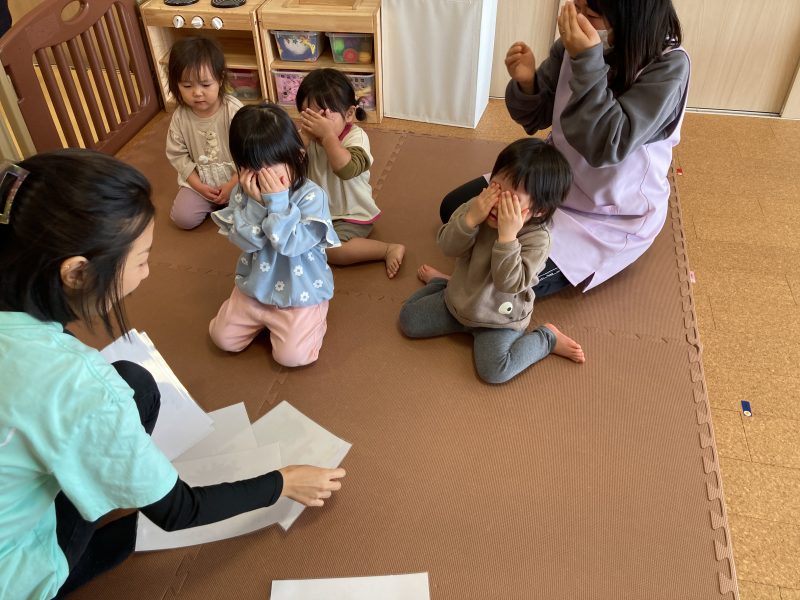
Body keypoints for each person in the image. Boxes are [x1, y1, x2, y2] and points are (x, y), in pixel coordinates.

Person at [0, 150, 346, 600]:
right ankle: (53, 574)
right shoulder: (78, 385)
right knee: (136, 524)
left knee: (136, 384)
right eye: (142, 259)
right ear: (78, 272)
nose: (147, 273)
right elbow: (180, 511)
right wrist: (285, 481)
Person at [439, 0, 690, 295]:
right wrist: (528, 84)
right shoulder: (574, 42)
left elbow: (606, 145)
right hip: (551, 182)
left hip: (609, 213)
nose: (576, 17)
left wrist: (587, 61)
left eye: (590, 14)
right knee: (452, 210)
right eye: (577, 5)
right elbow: (537, 117)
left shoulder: (668, 67)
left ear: (631, 18)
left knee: (502, 283)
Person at [399, 139, 585, 384]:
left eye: (511, 200)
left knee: (495, 372)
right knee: (409, 321)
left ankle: (547, 339)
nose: (496, 203)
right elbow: (447, 247)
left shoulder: (538, 239)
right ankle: (443, 283)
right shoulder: (477, 207)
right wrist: (469, 220)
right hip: (458, 299)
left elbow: (509, 283)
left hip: (499, 319)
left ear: (538, 210)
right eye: (495, 188)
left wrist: (507, 237)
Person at [209, 103, 340, 367]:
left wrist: (278, 204)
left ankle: (315, 315)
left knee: (291, 358)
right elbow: (248, 243)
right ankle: (261, 319)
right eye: (251, 168)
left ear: (297, 158)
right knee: (222, 338)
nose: (263, 177)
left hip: (299, 294)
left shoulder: (312, 197)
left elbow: (290, 245)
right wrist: (257, 205)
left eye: (271, 167)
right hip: (255, 289)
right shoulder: (244, 193)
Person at [296, 68, 406, 278]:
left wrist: (328, 137)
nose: (316, 124)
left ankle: (386, 249)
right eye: (308, 115)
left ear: (348, 114)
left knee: (332, 251)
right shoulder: (305, 138)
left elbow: (346, 170)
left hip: (349, 215)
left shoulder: (356, 138)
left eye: (323, 116)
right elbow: (287, 169)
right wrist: (303, 141)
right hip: (315, 213)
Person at [166, 36, 242, 230]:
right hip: (201, 183)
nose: (197, 93)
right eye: (187, 86)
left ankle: (230, 204)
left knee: (256, 209)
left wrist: (232, 184)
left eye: (206, 85)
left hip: (237, 180)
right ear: (176, 85)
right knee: (183, 218)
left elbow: (250, 152)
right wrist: (198, 186)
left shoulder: (233, 111)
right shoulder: (180, 117)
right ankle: (217, 204)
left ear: (220, 79)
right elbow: (178, 156)